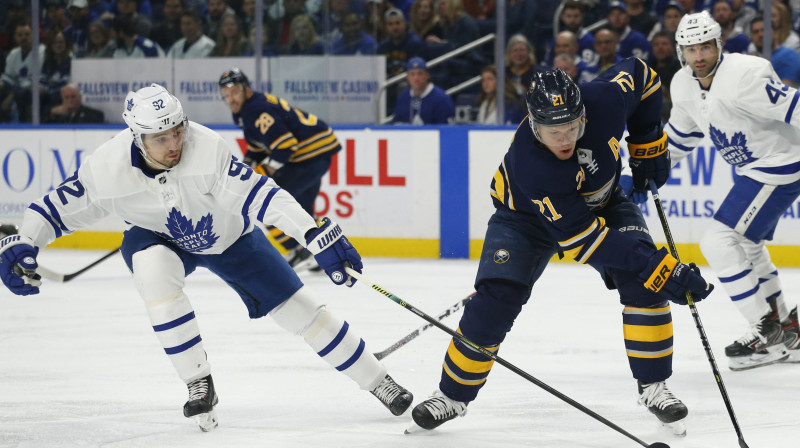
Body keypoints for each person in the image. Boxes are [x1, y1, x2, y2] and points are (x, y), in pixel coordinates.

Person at [0, 83, 413, 432]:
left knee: (301, 311)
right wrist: (23, 241)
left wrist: (312, 233)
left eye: (177, 131)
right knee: (153, 274)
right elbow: (53, 209)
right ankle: (199, 383)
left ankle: (379, 380)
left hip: (228, 237)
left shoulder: (208, 148)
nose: (174, 143)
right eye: (161, 138)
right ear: (135, 136)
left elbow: (261, 195)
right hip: (157, 236)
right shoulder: (104, 168)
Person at [408, 60, 715, 436]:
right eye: (553, 131)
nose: (565, 138)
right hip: (524, 220)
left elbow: (644, 76)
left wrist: (647, 140)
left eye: (571, 126)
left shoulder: (604, 99)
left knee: (643, 282)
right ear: (535, 125)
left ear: (583, 112)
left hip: (602, 202)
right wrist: (656, 264)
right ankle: (452, 396)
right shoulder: (532, 163)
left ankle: (653, 386)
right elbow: (585, 240)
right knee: (495, 301)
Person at [665, 11, 800, 370]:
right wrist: (641, 171)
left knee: (716, 241)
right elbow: (680, 138)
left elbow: (795, 108)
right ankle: (787, 328)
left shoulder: (745, 75)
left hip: (782, 164)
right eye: (691, 49)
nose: (699, 57)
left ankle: (766, 332)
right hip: (752, 170)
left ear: (718, 45)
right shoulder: (682, 84)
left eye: (705, 47)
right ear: (681, 52)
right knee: (746, 245)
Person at [218, 68, 341, 270]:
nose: (231, 98)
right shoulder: (245, 110)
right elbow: (259, 145)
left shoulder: (253, 109)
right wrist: (246, 165)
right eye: (226, 94)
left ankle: (300, 250)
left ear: (246, 89)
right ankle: (323, 253)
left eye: (235, 91)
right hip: (316, 154)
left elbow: (285, 145)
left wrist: (268, 168)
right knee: (301, 206)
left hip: (308, 156)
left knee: (267, 200)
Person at [391, 56, 454, 125]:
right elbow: (396, 125)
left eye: (420, 73)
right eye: (412, 74)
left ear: (427, 75)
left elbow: (446, 129)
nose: (416, 78)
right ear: (408, 77)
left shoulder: (441, 99)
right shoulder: (403, 98)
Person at [748, 15, 800, 87]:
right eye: (755, 32)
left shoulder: (788, 55)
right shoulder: (751, 59)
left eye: (764, 30)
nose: (760, 34)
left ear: (775, 33)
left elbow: (784, 91)